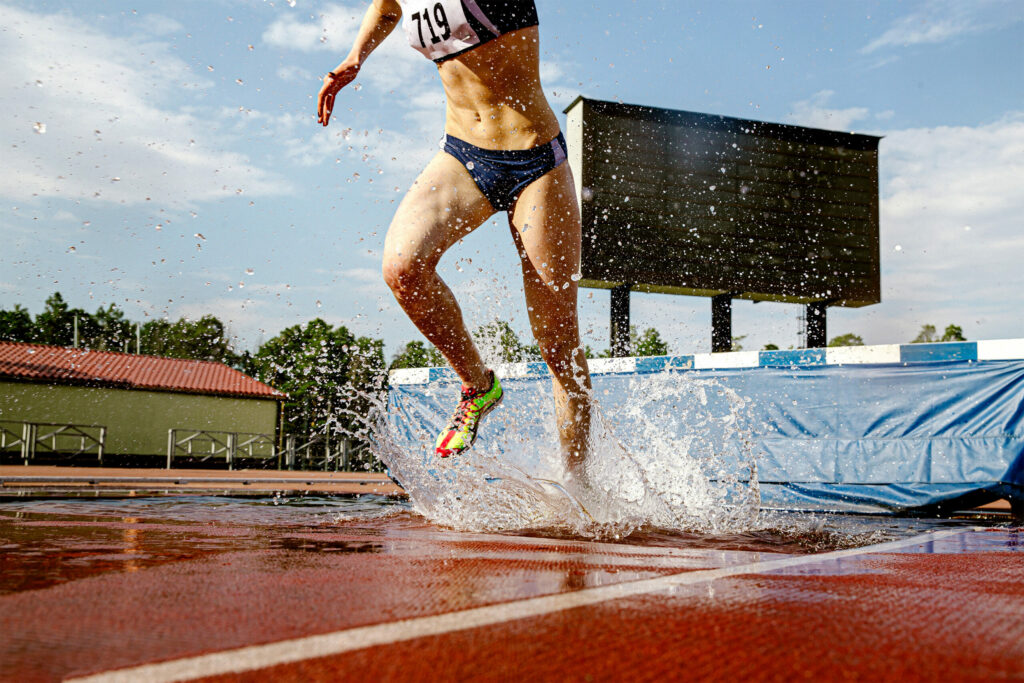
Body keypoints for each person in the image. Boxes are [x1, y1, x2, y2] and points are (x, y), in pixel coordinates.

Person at [317, 0, 592, 475]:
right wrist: (355, 58)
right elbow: (386, 9)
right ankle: (477, 384)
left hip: (536, 162)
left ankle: (577, 484)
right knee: (402, 268)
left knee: (557, 341)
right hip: (463, 154)